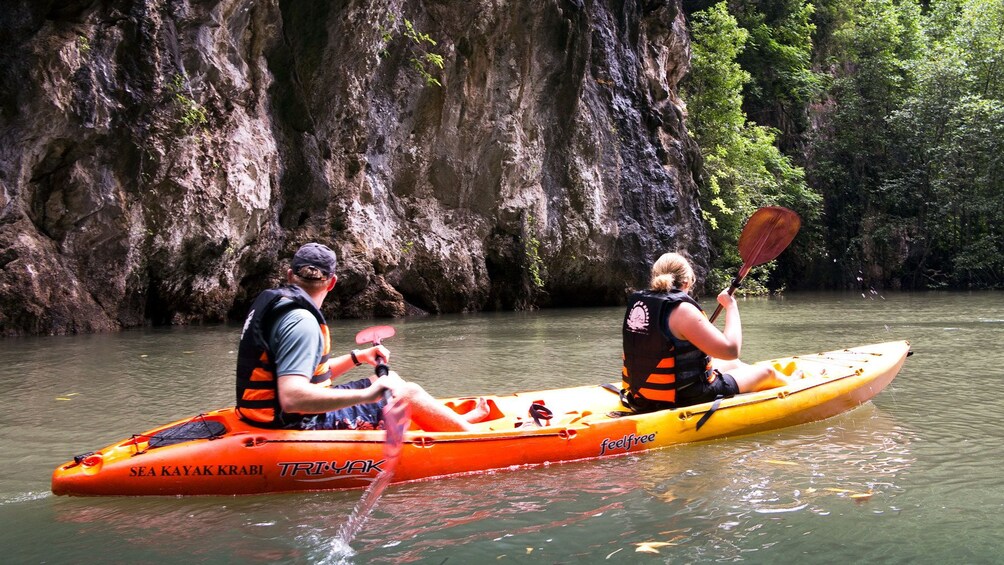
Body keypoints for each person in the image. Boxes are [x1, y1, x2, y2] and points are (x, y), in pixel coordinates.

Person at [236, 242, 489, 431]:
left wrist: (357, 357)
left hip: (266, 415)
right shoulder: (303, 322)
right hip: (296, 423)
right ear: (332, 282)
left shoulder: (278, 308)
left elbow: (304, 373)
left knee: (392, 379)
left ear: (290, 276)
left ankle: (455, 423)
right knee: (407, 392)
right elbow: (292, 399)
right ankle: (474, 438)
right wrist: (368, 395)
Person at [620, 252, 790, 412]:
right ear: (687, 282)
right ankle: (794, 383)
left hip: (641, 393)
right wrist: (731, 306)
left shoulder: (639, 305)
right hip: (685, 395)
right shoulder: (683, 310)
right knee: (767, 372)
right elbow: (731, 350)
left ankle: (747, 379)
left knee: (734, 364)